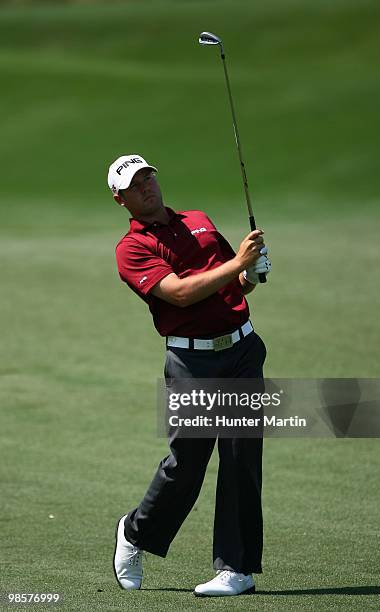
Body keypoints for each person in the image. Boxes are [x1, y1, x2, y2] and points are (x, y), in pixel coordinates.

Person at [108, 154, 271, 597]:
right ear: (120, 199)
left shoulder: (198, 220)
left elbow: (233, 283)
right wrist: (239, 263)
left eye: (148, 178)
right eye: (134, 185)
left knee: (241, 459)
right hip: (193, 362)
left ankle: (236, 568)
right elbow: (179, 294)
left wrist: (252, 272)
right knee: (188, 464)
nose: (146, 187)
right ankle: (135, 532)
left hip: (241, 350)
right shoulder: (132, 249)